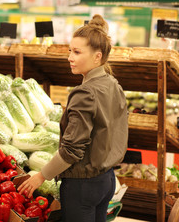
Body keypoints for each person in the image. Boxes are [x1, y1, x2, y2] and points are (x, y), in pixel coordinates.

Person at [18, 14, 128, 222]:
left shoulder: (84, 93)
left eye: (77, 52)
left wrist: (41, 176)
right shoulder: (113, 84)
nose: (70, 57)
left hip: (82, 186)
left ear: (97, 56)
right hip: (106, 180)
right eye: (70, 51)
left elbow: (72, 150)